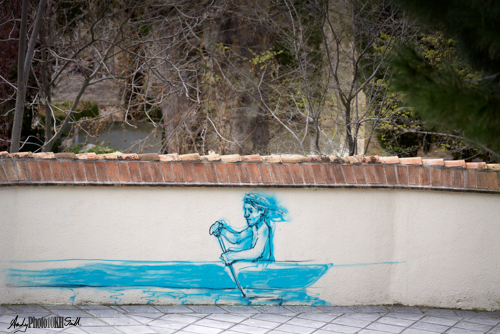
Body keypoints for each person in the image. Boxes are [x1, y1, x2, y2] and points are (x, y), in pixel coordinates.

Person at [210, 193, 283, 266]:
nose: (246, 214)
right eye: (246, 210)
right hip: (257, 267)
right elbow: (237, 238)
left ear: (261, 211)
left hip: (264, 269)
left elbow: (256, 252)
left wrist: (232, 256)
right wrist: (221, 230)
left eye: (250, 211)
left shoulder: (264, 228)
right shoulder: (254, 227)